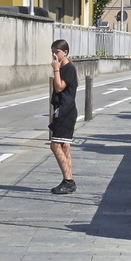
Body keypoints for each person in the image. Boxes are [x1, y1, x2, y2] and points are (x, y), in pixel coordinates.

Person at [48, 39, 78, 194]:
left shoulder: (68, 68)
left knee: (55, 145)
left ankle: (68, 180)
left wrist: (56, 70)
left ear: (65, 52)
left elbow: (59, 87)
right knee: (65, 145)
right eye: (53, 51)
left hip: (66, 110)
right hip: (62, 109)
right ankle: (69, 179)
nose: (54, 55)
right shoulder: (65, 67)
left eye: (57, 52)